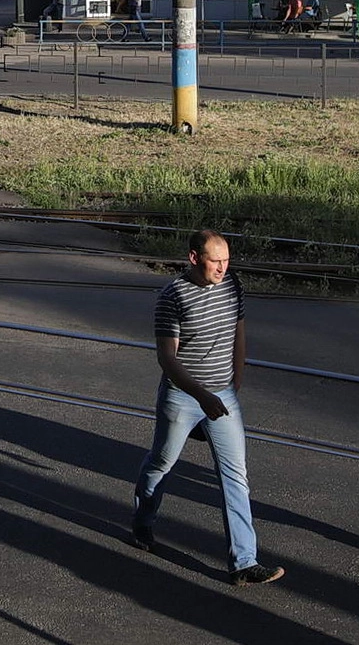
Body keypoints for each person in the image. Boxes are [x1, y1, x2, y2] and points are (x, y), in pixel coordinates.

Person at [130, 229, 285, 587]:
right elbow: (167, 360)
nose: (223, 267)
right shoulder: (174, 296)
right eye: (216, 260)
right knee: (162, 462)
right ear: (194, 258)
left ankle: (244, 562)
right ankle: (143, 522)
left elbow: (239, 334)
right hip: (183, 396)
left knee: (236, 476)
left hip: (223, 394)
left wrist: (235, 383)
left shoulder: (233, 285)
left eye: (227, 259)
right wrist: (202, 395)